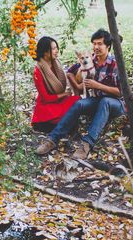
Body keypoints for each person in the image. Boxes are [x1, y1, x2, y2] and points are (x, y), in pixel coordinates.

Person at [35, 29, 125, 159]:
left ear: (108, 46)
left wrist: (97, 85)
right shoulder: (90, 59)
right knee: (79, 104)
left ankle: (87, 144)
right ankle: (52, 139)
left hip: (115, 103)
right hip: (97, 100)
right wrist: (77, 86)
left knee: (105, 102)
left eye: (100, 44)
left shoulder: (115, 63)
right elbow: (70, 71)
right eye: (94, 44)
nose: (96, 47)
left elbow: (120, 92)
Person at [31, 36, 80, 133]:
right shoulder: (38, 71)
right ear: (45, 52)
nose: (57, 51)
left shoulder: (56, 63)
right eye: (53, 49)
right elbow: (45, 98)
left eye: (56, 48)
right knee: (70, 122)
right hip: (47, 105)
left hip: (59, 101)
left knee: (78, 101)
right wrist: (64, 94)